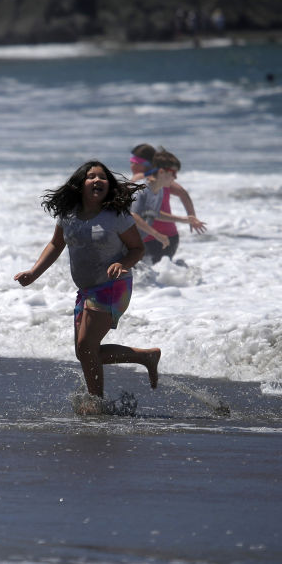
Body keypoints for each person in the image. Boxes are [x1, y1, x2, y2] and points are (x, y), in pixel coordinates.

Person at [14, 160, 160, 405]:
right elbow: (56, 245)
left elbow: (137, 248)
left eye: (102, 177)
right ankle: (144, 358)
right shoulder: (68, 215)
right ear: (79, 184)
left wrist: (123, 263)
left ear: (108, 185)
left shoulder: (116, 216)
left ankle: (96, 402)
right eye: (91, 176)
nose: (98, 180)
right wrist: (33, 272)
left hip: (114, 286)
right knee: (84, 352)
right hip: (87, 289)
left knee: (86, 346)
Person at [129, 145, 206, 263]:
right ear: (161, 171)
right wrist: (156, 234)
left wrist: (186, 219)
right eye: (173, 173)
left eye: (135, 162)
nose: (175, 177)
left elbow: (152, 213)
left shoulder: (157, 188)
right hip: (132, 241)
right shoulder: (144, 187)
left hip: (148, 240)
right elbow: (134, 215)